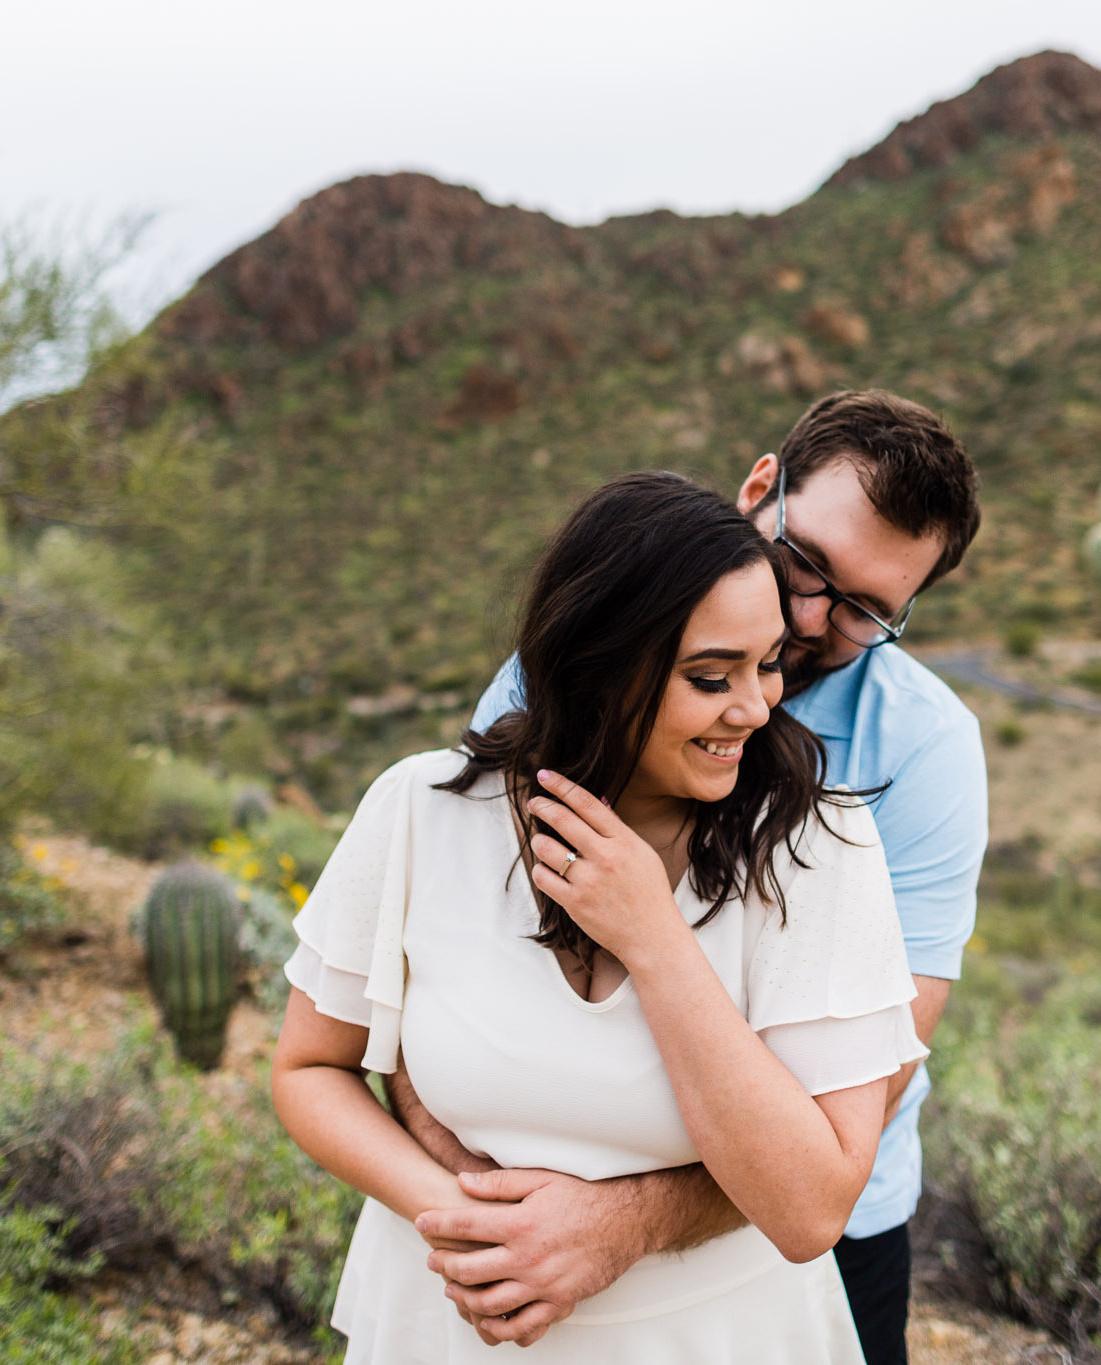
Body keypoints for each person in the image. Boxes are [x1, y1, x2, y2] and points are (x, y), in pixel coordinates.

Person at [271, 470, 933, 1362]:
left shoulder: (821, 848)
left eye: (768, 662)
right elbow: (313, 1066)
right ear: (600, 663)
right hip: (448, 1329)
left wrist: (653, 936)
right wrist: (465, 1218)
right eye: (711, 675)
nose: (754, 706)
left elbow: (813, 1205)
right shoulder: (420, 808)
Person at [396, 389, 987, 1365]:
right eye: (803, 565)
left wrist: (620, 1221)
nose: (806, 619)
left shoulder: (920, 751)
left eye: (862, 613)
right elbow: (448, 953)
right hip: (526, 1206)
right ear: (759, 486)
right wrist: (477, 1200)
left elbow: (867, 1090)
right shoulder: (563, 676)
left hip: (804, 1239)